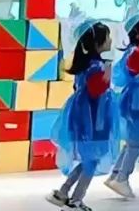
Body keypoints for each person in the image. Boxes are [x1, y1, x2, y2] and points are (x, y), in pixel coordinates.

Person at [48, 20, 117, 211]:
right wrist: (107, 73)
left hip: (87, 120)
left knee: (89, 160)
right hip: (94, 121)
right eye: (108, 37)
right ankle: (76, 200)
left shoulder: (86, 65)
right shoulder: (96, 67)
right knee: (91, 160)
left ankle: (64, 191)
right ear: (98, 43)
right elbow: (96, 90)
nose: (110, 40)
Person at [105, 16, 139, 199]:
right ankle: (122, 178)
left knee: (132, 140)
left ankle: (116, 175)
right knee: (137, 141)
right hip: (136, 101)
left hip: (138, 100)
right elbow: (138, 72)